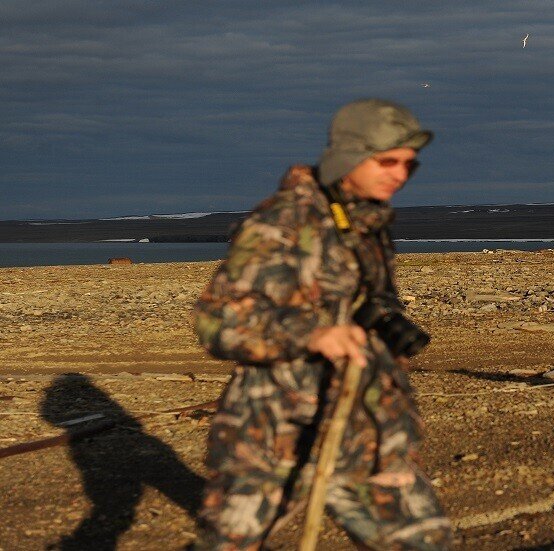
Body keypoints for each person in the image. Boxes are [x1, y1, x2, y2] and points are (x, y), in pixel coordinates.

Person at [192, 99, 453, 550]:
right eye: (386, 161)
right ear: (349, 157)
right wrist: (312, 334)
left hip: (360, 428)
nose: (399, 175)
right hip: (277, 433)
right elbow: (217, 320)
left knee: (422, 541)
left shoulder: (366, 222)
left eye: (409, 165)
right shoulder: (287, 220)